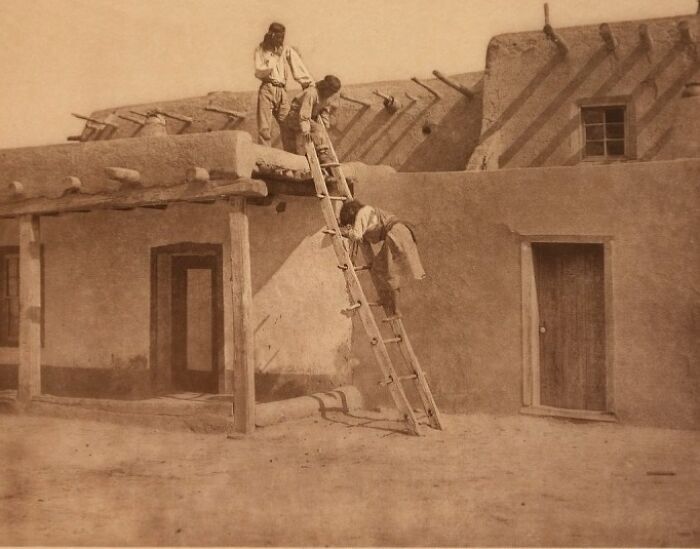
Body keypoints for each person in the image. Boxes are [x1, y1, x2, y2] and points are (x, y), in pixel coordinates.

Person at [339, 199, 426, 316]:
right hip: (401, 232)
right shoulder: (368, 210)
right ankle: (387, 300)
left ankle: (395, 310)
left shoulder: (360, 215)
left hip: (395, 234)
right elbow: (370, 232)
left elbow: (357, 235)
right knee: (382, 267)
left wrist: (345, 233)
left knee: (388, 270)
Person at [254, 22, 314, 147]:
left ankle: (291, 159)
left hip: (281, 91)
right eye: (279, 37)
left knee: (288, 125)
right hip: (267, 89)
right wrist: (275, 56)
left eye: (283, 37)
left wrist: (307, 83)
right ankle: (266, 161)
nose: (281, 40)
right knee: (264, 128)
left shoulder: (286, 49)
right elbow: (260, 71)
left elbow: (297, 65)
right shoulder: (260, 50)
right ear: (271, 35)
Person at [280, 74, 341, 162]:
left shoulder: (326, 97)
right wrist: (306, 129)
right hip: (295, 117)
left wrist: (325, 125)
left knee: (319, 130)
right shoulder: (311, 93)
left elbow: (324, 111)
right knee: (316, 130)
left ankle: (320, 154)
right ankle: (322, 154)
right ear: (325, 88)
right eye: (330, 91)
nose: (331, 94)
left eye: (333, 92)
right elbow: (304, 113)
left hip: (308, 117)